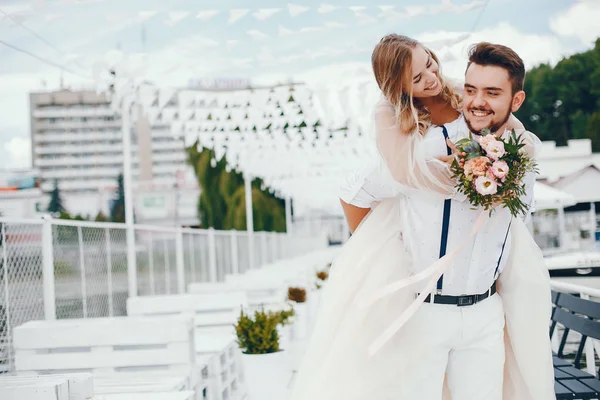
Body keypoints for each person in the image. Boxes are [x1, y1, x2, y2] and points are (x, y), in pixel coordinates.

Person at [289, 37, 554, 400]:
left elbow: (519, 221)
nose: (477, 102)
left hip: (486, 312)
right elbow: (353, 190)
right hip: (424, 313)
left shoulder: (517, 157)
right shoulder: (417, 153)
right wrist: (385, 248)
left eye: (430, 64)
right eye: (473, 91)